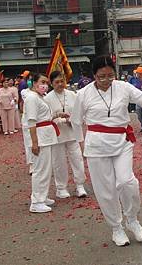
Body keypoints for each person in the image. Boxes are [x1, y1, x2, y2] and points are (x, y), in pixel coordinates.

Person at [71, 56, 142, 247]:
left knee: (127, 182)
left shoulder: (123, 87)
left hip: (122, 141)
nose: (106, 81)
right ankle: (116, 228)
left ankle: (132, 220)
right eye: (102, 77)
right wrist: (81, 144)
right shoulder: (83, 93)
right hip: (96, 145)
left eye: (110, 76)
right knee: (105, 189)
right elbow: (76, 121)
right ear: (94, 76)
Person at [24, 73, 69, 213]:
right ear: (34, 83)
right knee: (40, 170)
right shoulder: (31, 98)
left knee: (46, 169)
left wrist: (57, 115)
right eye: (42, 82)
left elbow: (45, 116)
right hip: (40, 137)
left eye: (46, 82)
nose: (45, 85)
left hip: (47, 135)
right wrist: (34, 143)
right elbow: (31, 122)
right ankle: (36, 201)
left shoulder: (40, 97)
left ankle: (41, 197)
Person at [45, 70, 88, 199]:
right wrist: (59, 117)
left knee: (77, 159)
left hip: (72, 132)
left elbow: (80, 113)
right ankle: (61, 188)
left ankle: (80, 185)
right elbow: (46, 117)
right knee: (59, 162)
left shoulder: (72, 95)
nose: (60, 84)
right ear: (51, 84)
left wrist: (73, 120)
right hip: (56, 134)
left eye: (62, 81)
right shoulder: (47, 98)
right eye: (57, 82)